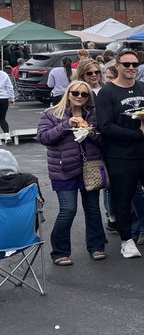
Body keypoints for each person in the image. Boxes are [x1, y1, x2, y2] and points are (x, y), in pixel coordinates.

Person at [94, 48, 144, 259]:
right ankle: (126, 240)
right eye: (126, 64)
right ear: (117, 66)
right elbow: (105, 126)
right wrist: (138, 133)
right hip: (122, 155)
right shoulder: (107, 92)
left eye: (135, 64)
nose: (131, 68)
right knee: (123, 198)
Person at [36, 80, 107, 264]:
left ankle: (97, 247)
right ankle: (59, 252)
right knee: (68, 210)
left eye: (84, 94)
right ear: (68, 93)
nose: (79, 97)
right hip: (63, 169)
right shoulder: (52, 114)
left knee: (93, 209)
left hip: (90, 168)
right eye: (76, 93)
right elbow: (43, 137)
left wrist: (91, 133)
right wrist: (66, 124)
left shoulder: (93, 114)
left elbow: (104, 141)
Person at [0, 63, 12, 143]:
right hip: (4, 99)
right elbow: (9, 87)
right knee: (2, 118)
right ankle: (7, 136)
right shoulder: (4, 74)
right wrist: (12, 98)